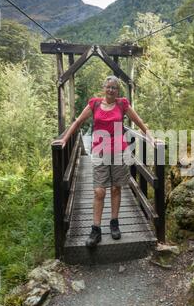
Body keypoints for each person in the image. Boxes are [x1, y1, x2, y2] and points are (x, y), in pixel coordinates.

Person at [60, 75, 153, 247]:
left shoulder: (122, 104)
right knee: (99, 191)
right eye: (108, 87)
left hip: (119, 152)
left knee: (116, 188)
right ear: (104, 87)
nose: (111, 90)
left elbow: (138, 121)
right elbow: (78, 122)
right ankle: (95, 229)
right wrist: (65, 139)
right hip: (100, 152)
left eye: (114, 88)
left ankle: (114, 223)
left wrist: (152, 138)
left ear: (118, 90)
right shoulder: (94, 104)